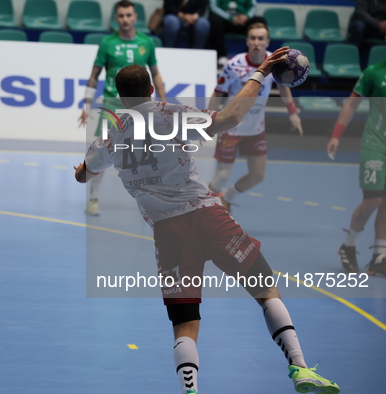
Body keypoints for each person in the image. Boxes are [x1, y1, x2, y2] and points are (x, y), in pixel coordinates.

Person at [74, 58, 340, 394]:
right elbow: (230, 118)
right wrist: (260, 73)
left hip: (167, 233)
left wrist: (83, 167)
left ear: (120, 98)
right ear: (152, 90)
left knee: (185, 323)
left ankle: (191, 390)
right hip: (207, 216)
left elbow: (84, 174)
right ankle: (300, 368)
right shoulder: (172, 114)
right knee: (265, 288)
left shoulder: (110, 138)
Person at [78, 0, 166, 216]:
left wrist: (162, 103)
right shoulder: (107, 43)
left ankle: (153, 197)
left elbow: (155, 74)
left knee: (148, 153)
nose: (125, 19)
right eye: (121, 16)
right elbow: (93, 76)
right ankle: (93, 198)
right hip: (111, 105)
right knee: (103, 151)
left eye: (129, 15)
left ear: (135, 17)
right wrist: (86, 105)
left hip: (141, 107)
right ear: (116, 18)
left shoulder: (147, 42)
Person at [207, 22, 303, 212]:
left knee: (258, 175)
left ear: (267, 41)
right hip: (231, 128)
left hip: (255, 129)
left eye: (261, 38)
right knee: (222, 176)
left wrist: (292, 113)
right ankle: (202, 210)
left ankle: (227, 199)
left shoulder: (273, 62)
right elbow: (218, 93)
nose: (256, 42)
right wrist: (208, 122)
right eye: (253, 38)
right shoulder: (233, 65)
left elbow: (283, 86)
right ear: (247, 41)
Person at [328, 61, 386, 276]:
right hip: (376, 144)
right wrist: (336, 135)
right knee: (373, 199)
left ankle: (380, 255)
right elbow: (351, 104)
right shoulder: (374, 72)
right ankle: (349, 245)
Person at [208, 0, 259, 66]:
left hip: (244, 21)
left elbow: (253, 6)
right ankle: (221, 56)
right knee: (215, 21)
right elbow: (213, 7)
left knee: (258, 21)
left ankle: (252, 56)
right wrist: (230, 18)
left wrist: (246, 16)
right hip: (224, 21)